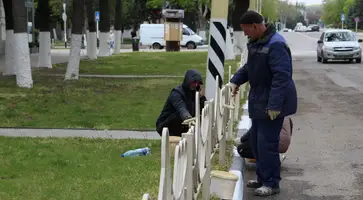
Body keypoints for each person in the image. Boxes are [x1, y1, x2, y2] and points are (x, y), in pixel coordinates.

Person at [226, 11, 297, 196]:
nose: (246, 35)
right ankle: (262, 178)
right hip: (259, 100)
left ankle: (272, 183)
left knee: (267, 145)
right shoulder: (256, 43)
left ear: (256, 26)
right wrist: (235, 81)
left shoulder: (276, 45)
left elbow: (281, 77)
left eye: (246, 30)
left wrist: (274, 105)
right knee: (257, 144)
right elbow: (250, 67)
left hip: (272, 104)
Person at [156, 69, 207, 137]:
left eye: (198, 83)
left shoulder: (194, 93)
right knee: (178, 116)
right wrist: (189, 119)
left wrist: (201, 97)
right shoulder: (176, 93)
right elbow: (181, 108)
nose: (196, 85)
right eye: (194, 82)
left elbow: (203, 109)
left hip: (183, 123)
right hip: (166, 125)